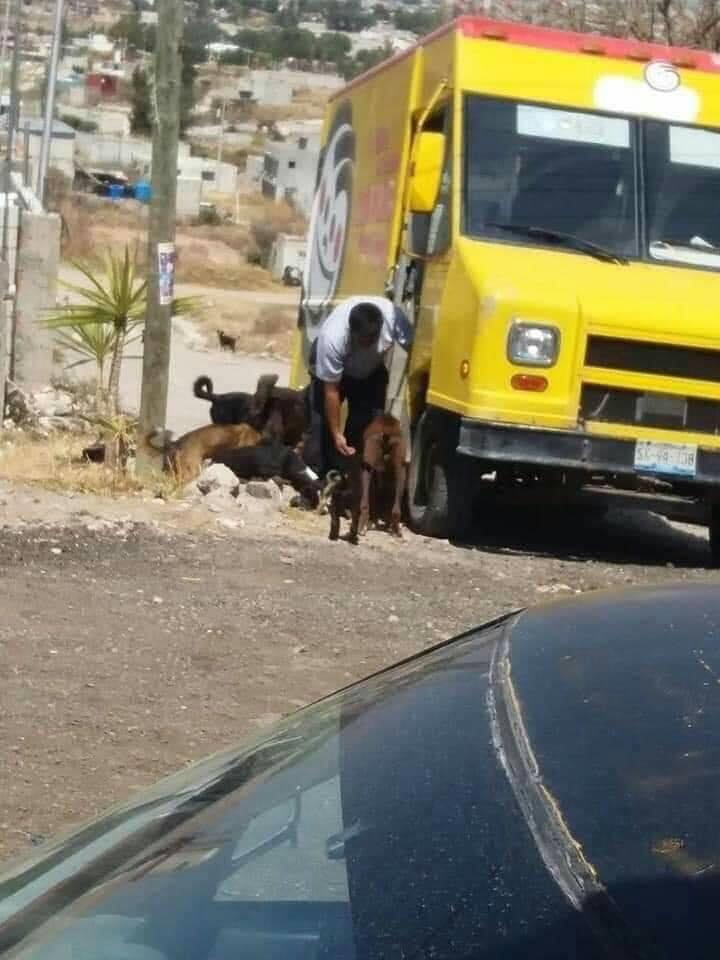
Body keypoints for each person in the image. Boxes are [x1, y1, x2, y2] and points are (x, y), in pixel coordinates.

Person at [303, 296, 412, 477]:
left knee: (366, 425)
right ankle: (317, 477)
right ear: (351, 332)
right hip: (335, 371)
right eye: (362, 340)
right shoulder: (332, 338)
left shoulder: (394, 319)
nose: (367, 343)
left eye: (372, 339)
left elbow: (415, 348)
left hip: (369, 372)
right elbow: (332, 391)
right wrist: (337, 433)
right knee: (321, 424)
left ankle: (351, 472)